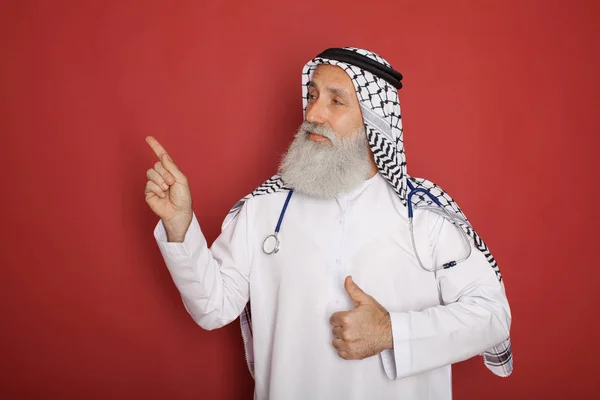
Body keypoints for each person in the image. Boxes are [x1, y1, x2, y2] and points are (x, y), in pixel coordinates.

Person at [144, 47, 513, 400]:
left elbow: (492, 315)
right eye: (312, 95)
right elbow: (213, 306)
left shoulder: (424, 214)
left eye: (335, 101)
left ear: (374, 120)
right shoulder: (266, 209)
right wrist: (180, 224)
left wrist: (390, 333)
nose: (313, 114)